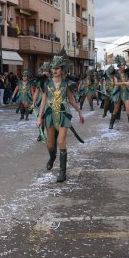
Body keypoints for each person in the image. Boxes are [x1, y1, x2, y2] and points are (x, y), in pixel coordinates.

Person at [36, 50, 84, 182]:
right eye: (53, 68)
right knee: (51, 145)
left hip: (63, 114)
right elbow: (43, 101)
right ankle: (52, 157)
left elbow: (72, 100)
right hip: (50, 114)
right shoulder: (46, 83)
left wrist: (80, 112)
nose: (54, 70)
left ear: (62, 70)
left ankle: (62, 172)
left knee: (61, 141)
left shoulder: (67, 83)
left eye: (57, 68)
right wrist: (40, 117)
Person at [109, 56, 129, 132]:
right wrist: (125, 82)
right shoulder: (116, 74)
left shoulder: (127, 74)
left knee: (128, 108)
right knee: (116, 110)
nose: (123, 67)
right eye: (122, 65)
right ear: (119, 66)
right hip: (118, 92)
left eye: (124, 65)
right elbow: (116, 83)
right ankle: (111, 124)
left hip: (125, 93)